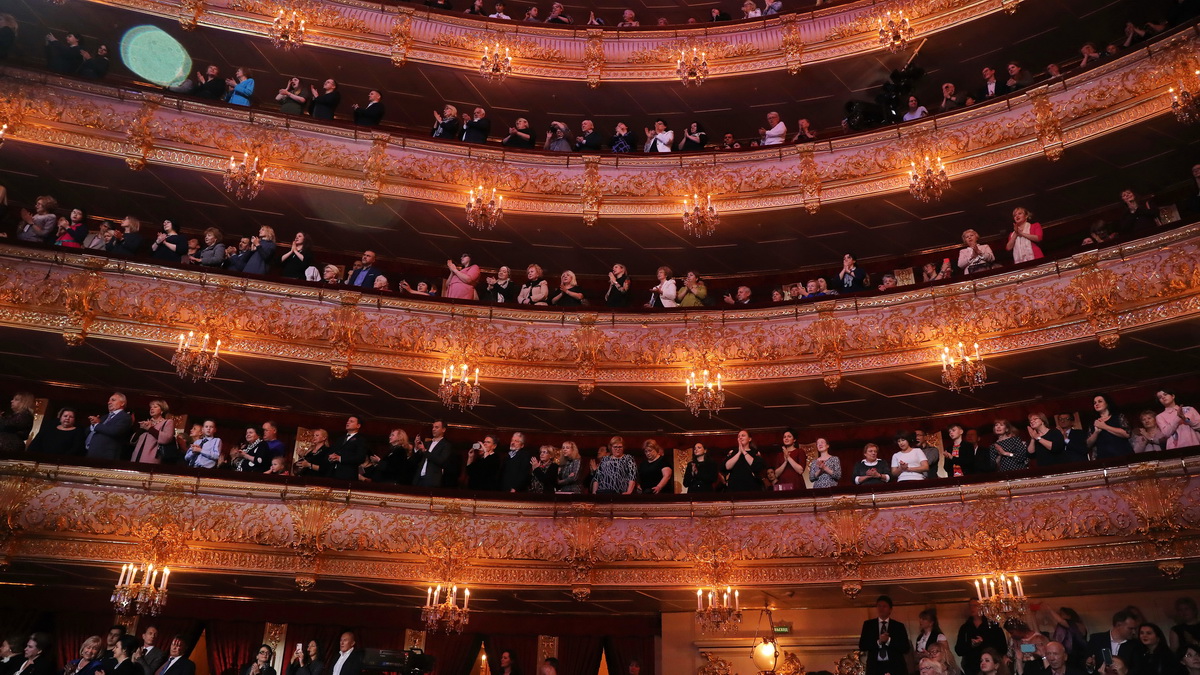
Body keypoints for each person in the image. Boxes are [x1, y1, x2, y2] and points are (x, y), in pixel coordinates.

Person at [859, 596, 911, 675]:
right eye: (879, 606)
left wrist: (888, 641)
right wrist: (878, 642)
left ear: (890, 609)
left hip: (895, 666)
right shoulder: (868, 625)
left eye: (884, 606)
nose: (881, 609)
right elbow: (862, 645)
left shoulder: (898, 626)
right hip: (875, 667)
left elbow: (905, 648)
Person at [85, 393, 134, 461]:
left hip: (106, 456)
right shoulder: (104, 417)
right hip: (92, 453)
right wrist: (93, 425)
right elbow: (88, 430)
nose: (109, 402)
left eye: (113, 400)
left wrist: (96, 425)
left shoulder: (125, 417)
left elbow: (115, 431)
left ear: (122, 403)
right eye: (109, 401)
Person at [132, 400, 176, 464]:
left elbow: (166, 439)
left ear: (162, 411)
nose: (152, 409)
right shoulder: (146, 422)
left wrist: (150, 429)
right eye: (151, 407)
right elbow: (132, 441)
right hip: (136, 457)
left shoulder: (168, 422)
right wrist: (142, 429)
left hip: (151, 459)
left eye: (155, 407)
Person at [412, 420, 452, 488]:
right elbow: (416, 460)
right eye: (433, 427)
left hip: (431, 481)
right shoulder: (427, 443)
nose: (433, 429)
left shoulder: (446, 445)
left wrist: (425, 451)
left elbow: (441, 460)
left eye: (436, 427)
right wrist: (416, 447)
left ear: (443, 429)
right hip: (419, 479)